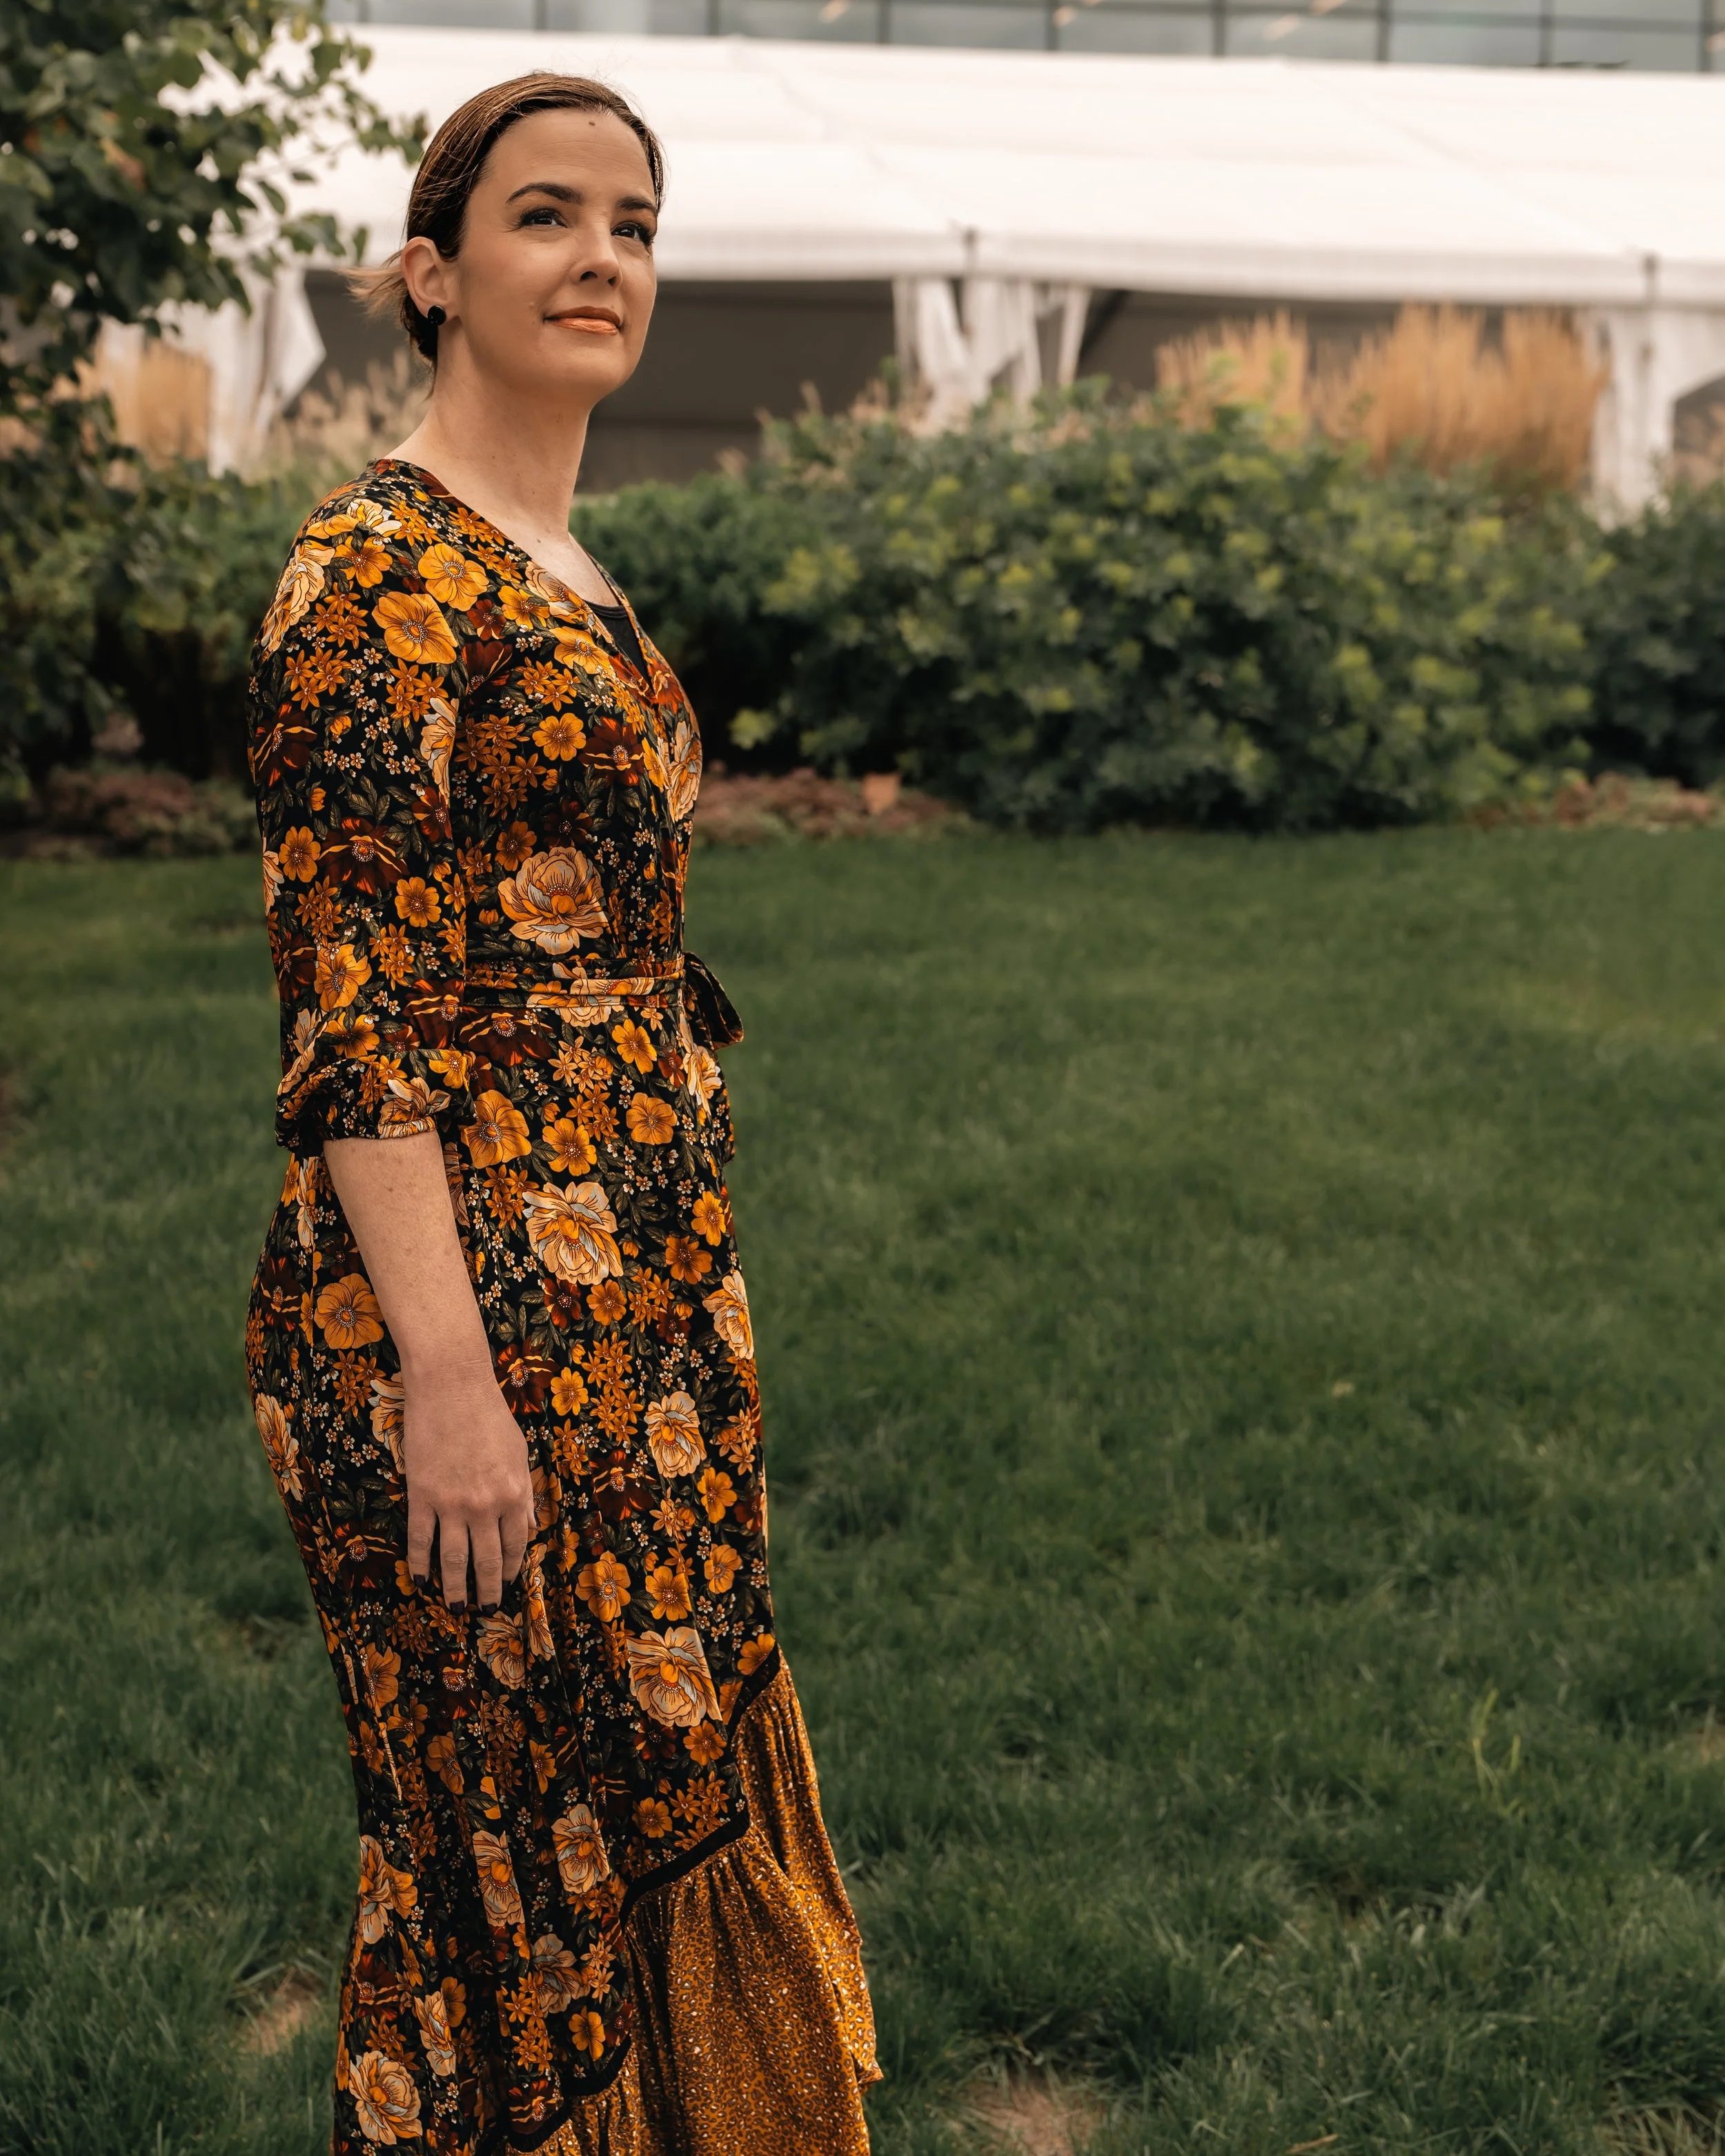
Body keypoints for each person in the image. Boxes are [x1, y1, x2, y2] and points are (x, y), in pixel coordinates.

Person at [245, 71, 878, 2155]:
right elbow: (357, 1007)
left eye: (634, 218)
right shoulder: (370, 575)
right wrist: (446, 1372)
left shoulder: (562, 558)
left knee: (656, 1790)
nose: (602, 254)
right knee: (506, 1863)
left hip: (650, 1305)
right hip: (473, 1327)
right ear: (432, 276)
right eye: (544, 215)